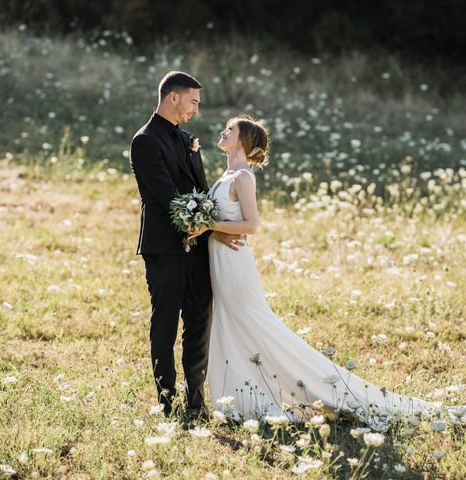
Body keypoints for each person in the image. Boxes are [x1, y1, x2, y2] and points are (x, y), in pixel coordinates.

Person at [188, 115, 434, 430]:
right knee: (231, 327)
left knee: (254, 326)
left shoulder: (243, 178)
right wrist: (213, 230)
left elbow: (251, 225)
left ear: (245, 140)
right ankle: (239, 400)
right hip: (220, 262)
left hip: (235, 266)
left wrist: (209, 225)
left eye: (231, 129)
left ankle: (313, 388)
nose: (223, 131)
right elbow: (227, 222)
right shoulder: (226, 175)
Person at [129, 71, 243, 419]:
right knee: (164, 325)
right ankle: (167, 403)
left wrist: (213, 230)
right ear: (173, 97)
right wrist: (214, 230)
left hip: (198, 251)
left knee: (198, 323)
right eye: (193, 101)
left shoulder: (189, 140)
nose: (196, 108)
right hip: (164, 248)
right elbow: (168, 199)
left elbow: (202, 195)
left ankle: (195, 403)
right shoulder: (145, 141)